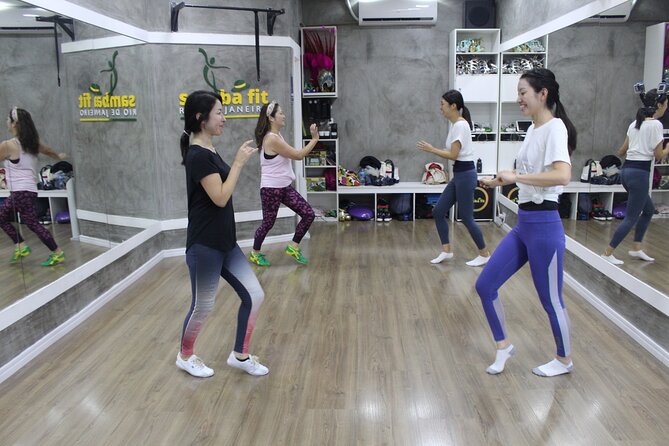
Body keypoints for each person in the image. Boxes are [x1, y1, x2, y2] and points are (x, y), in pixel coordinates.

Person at [476, 68, 577, 377]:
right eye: (518, 92)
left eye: (523, 92)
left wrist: (516, 176)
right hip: (524, 224)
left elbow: (562, 175)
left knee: (550, 300)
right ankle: (503, 345)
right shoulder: (533, 129)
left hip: (545, 227)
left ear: (542, 94)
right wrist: (496, 182)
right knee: (485, 285)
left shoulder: (555, 128)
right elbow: (532, 176)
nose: (518, 98)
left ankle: (564, 360)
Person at [176, 90, 268, 378]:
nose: (224, 118)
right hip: (204, 245)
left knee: (254, 294)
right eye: (219, 112)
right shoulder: (197, 156)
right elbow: (220, 197)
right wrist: (239, 163)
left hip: (225, 243)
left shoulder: (210, 150)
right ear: (201, 119)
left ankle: (240, 355)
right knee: (203, 306)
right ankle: (185, 355)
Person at [417, 90, 491, 267]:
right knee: (438, 211)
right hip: (459, 175)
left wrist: (431, 149)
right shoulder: (456, 124)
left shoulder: (460, 125)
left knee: (466, 217)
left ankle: (485, 253)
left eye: (442, 104)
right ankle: (447, 250)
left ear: (453, 106)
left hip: (465, 175)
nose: (440, 107)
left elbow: (453, 154)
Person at [601, 89, 669, 265]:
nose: (666, 108)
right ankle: (607, 253)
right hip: (639, 174)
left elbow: (621, 151)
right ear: (659, 105)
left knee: (647, 210)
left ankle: (637, 248)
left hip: (627, 172)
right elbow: (659, 155)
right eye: (666, 105)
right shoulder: (656, 125)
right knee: (631, 217)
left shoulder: (634, 124)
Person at [248, 101, 317, 266]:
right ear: (271, 118)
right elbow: (298, 155)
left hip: (283, 187)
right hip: (271, 189)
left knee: (308, 213)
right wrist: (314, 139)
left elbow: (291, 154)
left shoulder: (277, 135)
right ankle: (255, 253)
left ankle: (293, 246)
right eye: (281, 113)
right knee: (268, 223)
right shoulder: (272, 139)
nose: (284, 116)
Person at [0, 107, 66, 266]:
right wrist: (58, 156)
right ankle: (21, 246)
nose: (6, 123)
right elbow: (48, 150)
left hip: (20, 192)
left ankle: (56, 252)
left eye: (8, 120)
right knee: (26, 222)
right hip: (29, 191)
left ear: (15, 124)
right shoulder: (32, 143)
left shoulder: (8, 145)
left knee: (30, 223)